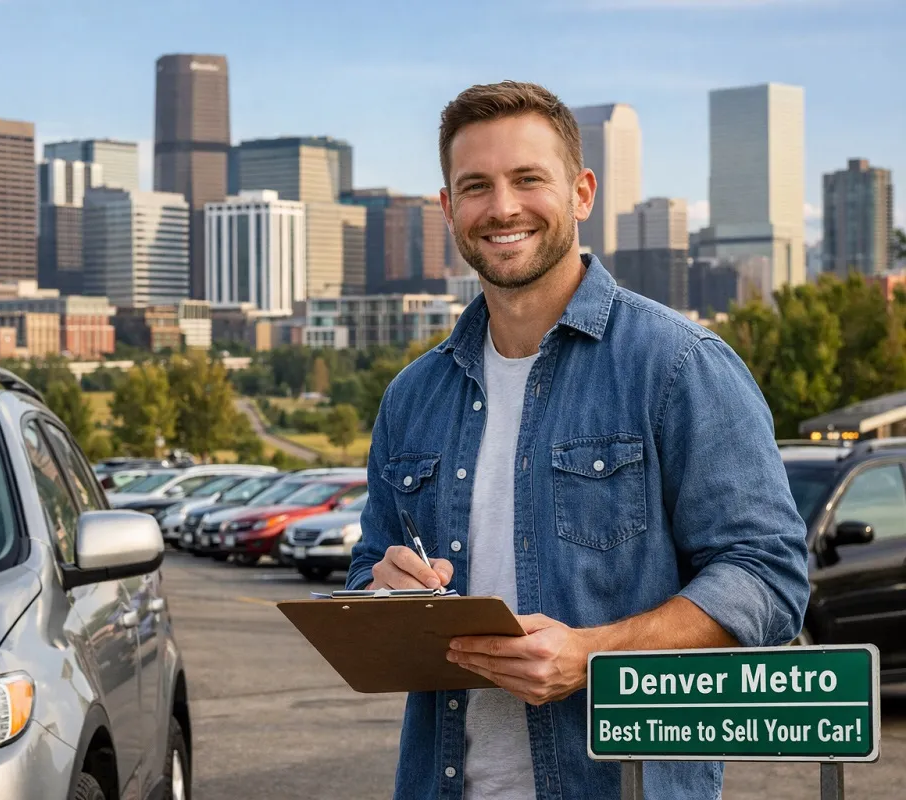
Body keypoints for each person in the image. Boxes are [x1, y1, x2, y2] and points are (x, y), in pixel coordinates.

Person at [347, 81, 810, 800]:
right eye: (476, 186)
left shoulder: (678, 364)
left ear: (583, 192)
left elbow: (768, 578)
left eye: (528, 179)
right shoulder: (412, 397)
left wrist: (593, 654)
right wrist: (383, 593)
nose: (502, 208)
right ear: (447, 209)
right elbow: (367, 574)